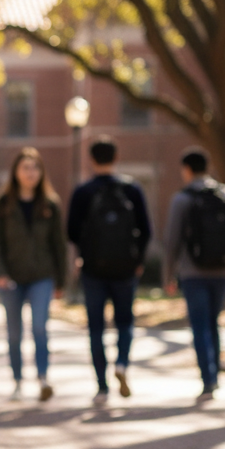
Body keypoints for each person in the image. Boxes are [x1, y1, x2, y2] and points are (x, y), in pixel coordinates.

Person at [163, 146, 225, 402]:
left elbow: (172, 241)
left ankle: (208, 378)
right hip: (224, 270)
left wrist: (168, 276)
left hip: (193, 273)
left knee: (199, 324)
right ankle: (215, 375)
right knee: (213, 323)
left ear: (187, 169)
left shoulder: (182, 199)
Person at [67, 138, 152, 405]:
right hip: (126, 268)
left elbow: (71, 231)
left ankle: (102, 387)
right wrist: (137, 259)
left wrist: (83, 253)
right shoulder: (131, 189)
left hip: (93, 268)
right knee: (125, 322)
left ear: (92, 159)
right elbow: (146, 230)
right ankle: (123, 364)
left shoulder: (83, 191)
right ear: (116, 158)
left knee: (96, 328)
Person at [0, 147, 67, 401]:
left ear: (41, 172)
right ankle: (18, 381)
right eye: (26, 167)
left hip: (41, 276)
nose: (31, 172)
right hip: (10, 278)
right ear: (16, 172)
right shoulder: (2, 204)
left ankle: (43, 378)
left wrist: (61, 280)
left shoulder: (51, 205)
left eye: (35, 168)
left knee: (40, 328)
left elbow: (59, 245)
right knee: (14, 332)